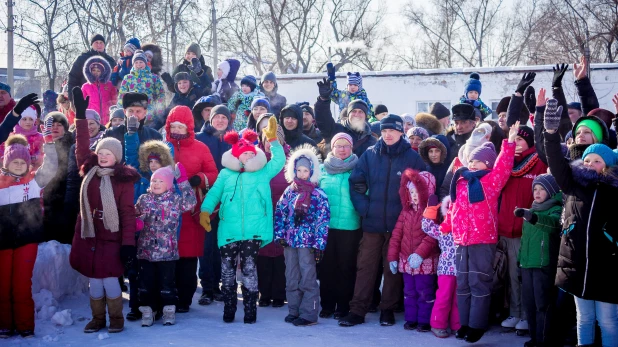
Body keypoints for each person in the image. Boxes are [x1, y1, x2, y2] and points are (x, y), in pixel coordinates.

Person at [339, 114, 426, 327]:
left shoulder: (412, 158)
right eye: (385, 131)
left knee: (392, 269)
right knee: (365, 267)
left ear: (401, 132)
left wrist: (408, 215)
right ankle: (357, 310)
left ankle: (387, 309)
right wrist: (364, 208)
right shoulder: (370, 155)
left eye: (392, 131)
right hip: (372, 224)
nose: (388, 135)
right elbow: (356, 183)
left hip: (399, 226)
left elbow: (421, 189)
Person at [544, 100, 618, 347]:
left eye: (597, 160)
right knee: (584, 319)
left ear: (607, 165)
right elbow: (555, 160)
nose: (590, 164)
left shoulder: (614, 190)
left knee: (607, 321)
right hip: (576, 265)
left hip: (608, 268)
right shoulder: (573, 185)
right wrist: (551, 133)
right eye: (587, 160)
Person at [200, 117, 285, 324]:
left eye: (250, 153)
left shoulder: (262, 173)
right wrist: (205, 210)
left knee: (249, 269)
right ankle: (229, 310)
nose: (248, 156)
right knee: (228, 271)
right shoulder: (226, 174)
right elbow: (213, 195)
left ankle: (250, 311)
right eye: (244, 153)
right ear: (236, 156)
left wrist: (273, 140)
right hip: (229, 230)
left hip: (254, 231)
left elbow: (279, 160)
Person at [69, 87, 140, 334]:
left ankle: (116, 319)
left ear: (117, 157)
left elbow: (128, 214)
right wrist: (80, 117)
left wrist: (129, 244)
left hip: (112, 239)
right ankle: (97, 318)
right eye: (101, 153)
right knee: (94, 283)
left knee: (110, 282)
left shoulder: (123, 181)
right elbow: (81, 147)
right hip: (89, 236)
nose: (104, 157)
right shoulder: (89, 171)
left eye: (109, 154)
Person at [440, 122, 518, 343]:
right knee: (462, 284)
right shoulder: (461, 182)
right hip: (461, 241)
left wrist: (509, 142)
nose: (473, 164)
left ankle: (477, 325)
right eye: (472, 160)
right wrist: (446, 226)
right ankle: (464, 323)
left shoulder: (491, 182)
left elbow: (503, 166)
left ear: (487, 164)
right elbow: (454, 209)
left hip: (482, 240)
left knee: (479, 283)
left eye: (479, 161)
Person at [499, 76, 549, 334]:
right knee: (510, 278)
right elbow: (510, 126)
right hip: (505, 229)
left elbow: (542, 138)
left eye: (520, 139)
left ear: (528, 141)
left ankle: (528, 317)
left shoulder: (538, 161)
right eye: (514, 139)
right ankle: (515, 312)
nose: (516, 142)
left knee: (524, 278)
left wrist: (538, 111)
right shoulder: (504, 161)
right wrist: (516, 95)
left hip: (527, 230)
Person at [0, 131, 58, 339]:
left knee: (22, 284)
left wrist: (49, 143)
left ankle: (25, 325)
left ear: (28, 164)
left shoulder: (32, 184)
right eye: (13, 161)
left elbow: (51, 167)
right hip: (3, 243)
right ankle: (5, 324)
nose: (18, 165)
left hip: (27, 241)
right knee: (2, 285)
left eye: (22, 162)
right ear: (5, 163)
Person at [164, 106, 218, 313]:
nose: (178, 130)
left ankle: (185, 298)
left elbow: (213, 172)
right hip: (167, 208)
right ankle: (169, 295)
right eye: (174, 126)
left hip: (190, 208)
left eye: (182, 126)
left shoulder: (200, 148)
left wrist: (200, 179)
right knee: (169, 256)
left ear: (189, 127)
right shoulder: (163, 146)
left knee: (188, 256)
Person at [135, 163, 197, 327]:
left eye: (160, 181)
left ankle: (168, 311)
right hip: (146, 252)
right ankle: (149, 311)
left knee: (167, 284)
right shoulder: (144, 199)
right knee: (146, 284)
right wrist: (137, 222)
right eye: (154, 181)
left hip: (167, 253)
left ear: (169, 184)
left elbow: (191, 202)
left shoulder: (175, 200)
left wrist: (182, 181)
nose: (155, 184)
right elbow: (135, 214)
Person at [275, 145, 330, 327]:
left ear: (312, 171)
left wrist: (319, 246)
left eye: (305, 170)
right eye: (298, 170)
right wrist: (280, 234)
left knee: (307, 277)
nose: (302, 173)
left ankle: (309, 313)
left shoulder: (318, 195)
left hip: (307, 243)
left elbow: (322, 222)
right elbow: (280, 213)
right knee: (291, 275)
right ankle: (294, 310)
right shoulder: (289, 191)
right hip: (290, 241)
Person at [513, 174, 562, 347]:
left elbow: (553, 224)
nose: (538, 192)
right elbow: (524, 241)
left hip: (543, 266)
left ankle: (544, 340)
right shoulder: (530, 212)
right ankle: (534, 338)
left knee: (543, 305)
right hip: (527, 266)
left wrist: (532, 218)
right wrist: (519, 264)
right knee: (530, 304)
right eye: (535, 189)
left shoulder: (555, 210)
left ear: (551, 191)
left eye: (542, 189)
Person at [387, 170, 439, 332]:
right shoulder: (406, 212)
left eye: (417, 192)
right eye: (411, 192)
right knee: (409, 292)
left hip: (425, 262)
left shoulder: (432, 213)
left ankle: (424, 320)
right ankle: (411, 319)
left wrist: (420, 254)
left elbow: (432, 237)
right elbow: (396, 236)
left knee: (424, 292)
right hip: (406, 261)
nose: (414, 196)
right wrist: (393, 258)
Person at [318, 133, 362, 320]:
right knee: (327, 268)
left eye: (346, 146)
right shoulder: (321, 170)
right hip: (326, 227)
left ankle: (343, 306)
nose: (342, 149)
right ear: (332, 148)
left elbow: (364, 194)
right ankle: (327, 304)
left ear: (351, 148)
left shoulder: (359, 169)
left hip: (349, 227)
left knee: (346, 268)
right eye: (338, 146)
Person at [195, 104, 232, 306]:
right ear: (210, 119)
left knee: (223, 245)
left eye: (224, 118)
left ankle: (220, 285)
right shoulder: (201, 139)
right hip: (207, 197)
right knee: (206, 245)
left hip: (228, 200)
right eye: (217, 117)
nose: (220, 121)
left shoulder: (232, 141)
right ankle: (207, 288)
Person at [256, 119, 289, 309]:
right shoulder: (255, 160)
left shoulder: (289, 159)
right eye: (266, 139)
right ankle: (264, 293)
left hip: (282, 214)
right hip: (261, 214)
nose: (270, 142)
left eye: (274, 138)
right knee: (262, 254)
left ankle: (279, 293)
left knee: (280, 255)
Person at [421, 196, 460, 339]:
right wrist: (431, 208)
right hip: (446, 270)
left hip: (462, 269)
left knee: (458, 299)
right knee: (444, 296)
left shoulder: (465, 228)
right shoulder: (443, 229)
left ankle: (457, 325)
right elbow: (426, 226)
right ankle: (438, 324)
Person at [315, 78, 376, 157]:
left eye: (360, 112)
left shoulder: (371, 140)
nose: (357, 114)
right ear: (348, 115)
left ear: (365, 116)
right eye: (353, 111)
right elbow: (323, 119)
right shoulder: (335, 129)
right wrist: (323, 100)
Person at [41, 112, 75, 243]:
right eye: (52, 124)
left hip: (61, 195)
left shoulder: (69, 145)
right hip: (43, 195)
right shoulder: (38, 142)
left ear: (65, 128)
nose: (55, 127)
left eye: (59, 125)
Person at [117, 50, 166, 124]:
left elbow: (160, 94)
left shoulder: (153, 77)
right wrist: (120, 111)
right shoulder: (128, 78)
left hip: (149, 114)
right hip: (132, 114)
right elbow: (122, 96)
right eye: (136, 62)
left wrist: (159, 111)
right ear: (133, 64)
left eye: (141, 62)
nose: (139, 64)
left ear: (145, 63)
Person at [67, 34, 116, 102]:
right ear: (92, 44)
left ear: (104, 45)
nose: (99, 45)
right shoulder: (82, 59)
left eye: (101, 43)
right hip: (86, 100)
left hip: (106, 101)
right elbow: (73, 79)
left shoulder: (110, 61)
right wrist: (72, 99)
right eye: (96, 42)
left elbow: (115, 80)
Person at [0, 105, 44, 170]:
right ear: (18, 120)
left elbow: (44, 153)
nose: (28, 122)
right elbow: (2, 153)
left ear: (35, 121)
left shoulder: (40, 137)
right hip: (13, 173)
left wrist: (35, 158)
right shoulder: (10, 137)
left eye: (31, 119)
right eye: (24, 119)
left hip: (34, 173)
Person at [81, 56, 117, 125]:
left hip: (107, 116)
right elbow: (81, 102)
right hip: (92, 116)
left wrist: (113, 110)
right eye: (93, 70)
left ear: (103, 72)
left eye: (98, 71)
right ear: (90, 71)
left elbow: (114, 99)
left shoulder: (109, 85)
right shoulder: (86, 86)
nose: (96, 72)